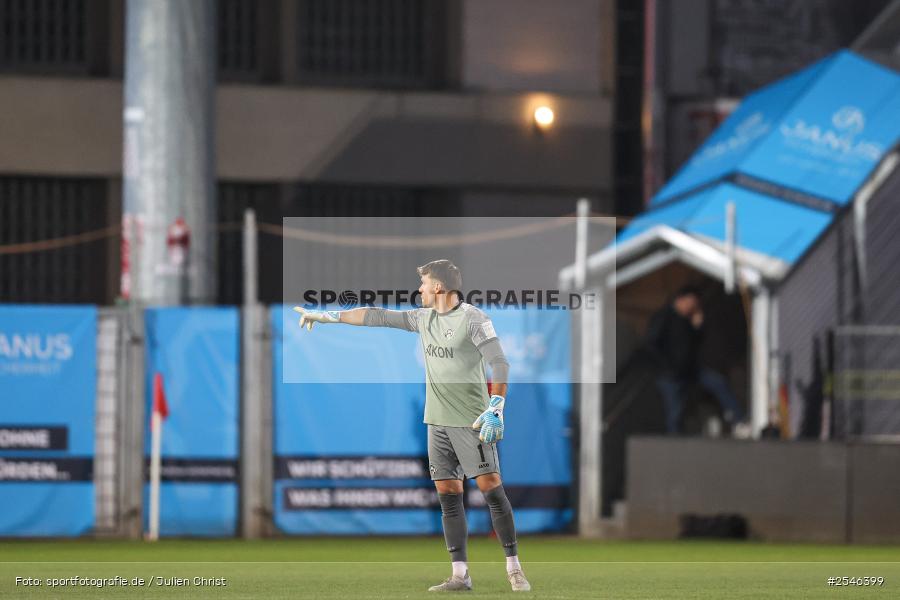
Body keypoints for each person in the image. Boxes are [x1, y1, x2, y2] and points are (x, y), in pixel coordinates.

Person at [293, 259, 531, 593]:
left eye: (424, 283)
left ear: (438, 287)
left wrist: (496, 405)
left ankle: (514, 569)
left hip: (472, 421)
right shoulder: (423, 318)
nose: (419, 289)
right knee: (448, 496)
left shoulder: (473, 318)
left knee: (491, 489)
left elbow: (499, 362)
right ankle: (460, 575)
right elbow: (376, 316)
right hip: (436, 423)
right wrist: (328, 316)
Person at [645, 285, 746, 435]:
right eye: (691, 303)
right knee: (675, 410)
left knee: (718, 383)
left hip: (690, 369)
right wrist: (666, 366)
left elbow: (694, 343)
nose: (692, 308)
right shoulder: (664, 317)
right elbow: (651, 343)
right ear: (681, 299)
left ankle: (738, 419)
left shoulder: (686, 320)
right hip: (670, 373)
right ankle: (674, 441)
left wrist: (697, 327)